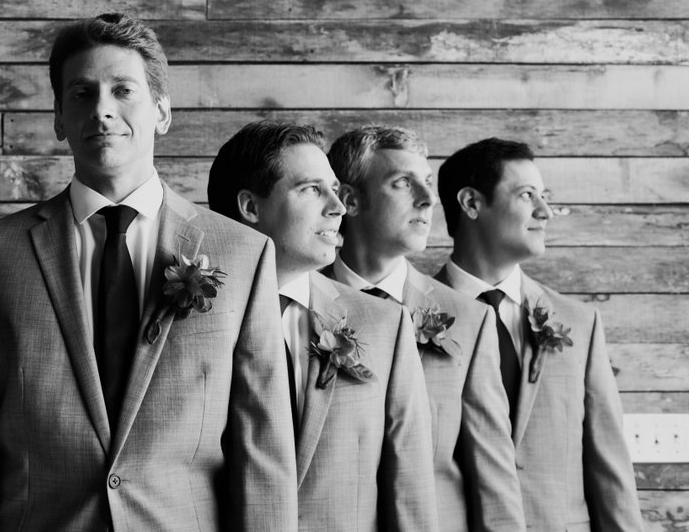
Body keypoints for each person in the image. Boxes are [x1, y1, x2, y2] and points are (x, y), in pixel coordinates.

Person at [0, 14, 296, 532]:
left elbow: (262, 445)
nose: (102, 110)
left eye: (123, 90)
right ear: (58, 117)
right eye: (82, 93)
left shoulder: (242, 252)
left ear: (162, 110)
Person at [207, 120, 438, 532]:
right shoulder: (187, 316)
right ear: (250, 207)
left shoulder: (384, 324)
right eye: (312, 190)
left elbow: (410, 490)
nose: (338, 206)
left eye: (335, 189)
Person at [323, 126, 524, 532]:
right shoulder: (297, 306)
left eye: (428, 183)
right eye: (403, 182)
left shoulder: (468, 318)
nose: (428, 198)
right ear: (350, 200)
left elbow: (493, 478)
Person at [436, 138, 642, 532]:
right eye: (527, 195)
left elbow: (609, 468)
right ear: (471, 203)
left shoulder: (579, 323)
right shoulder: (406, 320)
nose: (545, 211)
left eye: (544, 196)